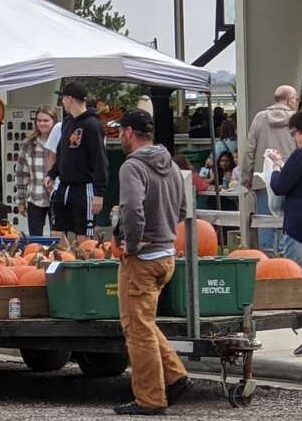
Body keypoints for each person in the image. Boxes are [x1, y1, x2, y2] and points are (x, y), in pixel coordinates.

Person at [112, 109, 191, 415]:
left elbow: (132, 208)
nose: (119, 135)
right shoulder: (169, 164)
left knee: (136, 329)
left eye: (121, 130)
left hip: (142, 257)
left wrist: (131, 244)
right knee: (143, 321)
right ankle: (174, 375)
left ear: (130, 132)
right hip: (166, 254)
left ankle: (149, 398)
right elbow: (183, 209)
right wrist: (165, 232)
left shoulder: (132, 166)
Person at [268, 108, 302, 354]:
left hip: (301, 227)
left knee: (296, 283)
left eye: (295, 134)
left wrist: (277, 167)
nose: (294, 139)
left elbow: (279, 187)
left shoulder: (301, 156)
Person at [45, 81, 107, 240]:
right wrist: (52, 174)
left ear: (70, 99)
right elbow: (62, 153)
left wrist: (99, 193)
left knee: (83, 236)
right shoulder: (67, 123)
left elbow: (100, 159)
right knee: (56, 233)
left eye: (63, 98)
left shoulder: (92, 124)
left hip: (83, 187)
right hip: (64, 185)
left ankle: (82, 260)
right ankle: (64, 258)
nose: (62, 102)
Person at [242, 85, 299, 251]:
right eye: (295, 99)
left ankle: (267, 264)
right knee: (286, 226)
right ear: (289, 100)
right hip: (290, 181)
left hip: (263, 180)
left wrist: (247, 178)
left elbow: (249, 150)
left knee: (264, 227)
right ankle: (285, 264)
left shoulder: (260, 118)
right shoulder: (297, 119)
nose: (296, 102)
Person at [15, 106, 57, 237]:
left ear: (54, 121)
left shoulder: (61, 142)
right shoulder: (28, 143)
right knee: (35, 238)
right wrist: (21, 201)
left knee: (58, 237)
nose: (42, 123)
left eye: (46, 120)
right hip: (35, 196)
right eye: (39, 120)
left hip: (56, 196)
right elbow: (21, 174)